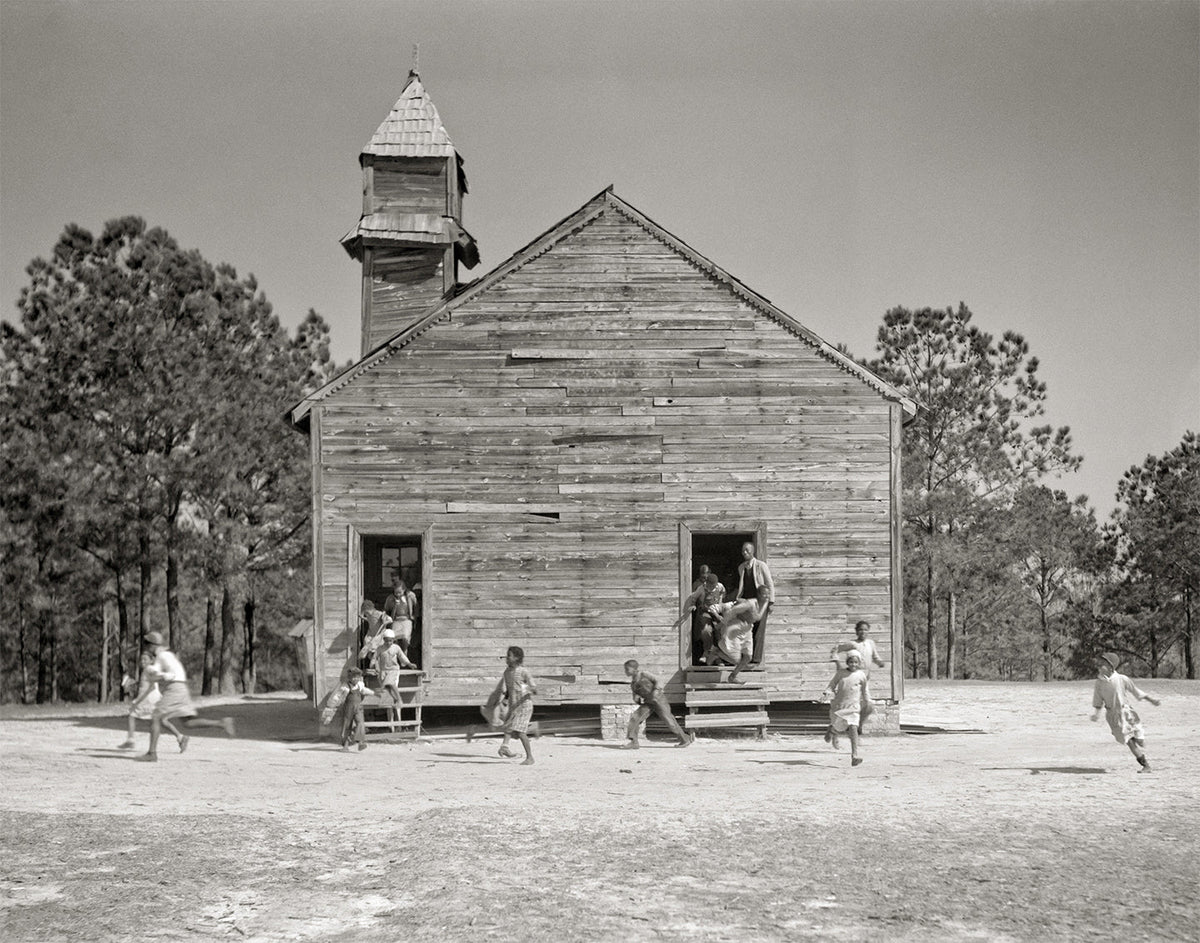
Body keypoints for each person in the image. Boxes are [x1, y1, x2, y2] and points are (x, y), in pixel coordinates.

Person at [137, 632, 236, 762]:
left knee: (156, 717)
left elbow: (167, 673)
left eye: (146, 643)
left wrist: (161, 675)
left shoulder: (162, 656)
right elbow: (157, 672)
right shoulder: (166, 655)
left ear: (151, 645)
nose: (144, 646)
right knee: (188, 722)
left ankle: (152, 753)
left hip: (175, 687)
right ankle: (221, 723)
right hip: (181, 687)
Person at [1091, 652, 1162, 773]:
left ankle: (1139, 740)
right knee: (1128, 740)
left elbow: (1136, 691)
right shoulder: (1099, 683)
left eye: (1103, 664)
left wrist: (1152, 700)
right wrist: (1097, 714)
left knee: (1139, 739)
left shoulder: (1121, 679)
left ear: (1110, 667)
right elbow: (1098, 700)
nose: (1099, 666)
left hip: (1127, 713)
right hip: (1113, 717)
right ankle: (1145, 765)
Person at [117, 651, 184, 751]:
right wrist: (132, 684)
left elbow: (155, 676)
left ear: (151, 660)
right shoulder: (146, 670)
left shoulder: (149, 669)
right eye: (141, 659)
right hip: (154, 699)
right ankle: (181, 737)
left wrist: (165, 676)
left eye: (145, 659)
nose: (142, 661)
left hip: (149, 699)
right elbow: (148, 683)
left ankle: (130, 740)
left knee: (132, 715)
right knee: (162, 721)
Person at [704, 586, 769, 683]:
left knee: (747, 657)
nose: (767, 596)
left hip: (747, 629)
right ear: (759, 595)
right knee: (736, 660)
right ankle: (716, 652)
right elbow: (732, 611)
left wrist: (766, 602)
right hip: (736, 627)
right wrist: (721, 624)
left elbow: (758, 616)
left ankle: (732, 676)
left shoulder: (764, 602)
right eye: (765, 594)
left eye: (768, 594)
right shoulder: (749, 604)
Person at [622, 659, 692, 748]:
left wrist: (656, 690)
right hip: (648, 702)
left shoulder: (644, 674)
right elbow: (635, 693)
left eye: (627, 669)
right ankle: (634, 742)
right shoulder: (633, 682)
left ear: (634, 669)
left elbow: (659, 680)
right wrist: (635, 697)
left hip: (659, 700)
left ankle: (684, 740)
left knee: (669, 721)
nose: (625, 672)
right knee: (635, 717)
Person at [822, 649, 870, 766]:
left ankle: (855, 756)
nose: (853, 664)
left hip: (853, 707)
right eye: (851, 662)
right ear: (847, 662)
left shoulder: (861, 675)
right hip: (839, 706)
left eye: (856, 662)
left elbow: (865, 690)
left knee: (853, 727)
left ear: (859, 663)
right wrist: (827, 692)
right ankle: (832, 731)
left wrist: (868, 701)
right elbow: (832, 685)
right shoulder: (841, 673)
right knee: (840, 728)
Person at [494, 646, 537, 765]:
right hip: (514, 706)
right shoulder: (507, 672)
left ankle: (530, 758)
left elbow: (534, 688)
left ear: (517, 658)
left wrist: (524, 689)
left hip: (524, 705)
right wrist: (506, 700)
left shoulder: (524, 672)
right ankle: (505, 747)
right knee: (508, 726)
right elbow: (509, 688)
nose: (507, 658)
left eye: (509, 655)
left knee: (520, 731)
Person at [732, 542, 775, 663]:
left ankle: (756, 660)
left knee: (759, 631)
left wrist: (771, 601)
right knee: (746, 629)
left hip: (760, 602)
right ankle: (745, 657)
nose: (744, 552)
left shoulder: (761, 566)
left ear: (753, 551)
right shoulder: (742, 568)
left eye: (747, 550)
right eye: (743, 551)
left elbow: (769, 583)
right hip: (747, 603)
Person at [678, 567, 726, 665]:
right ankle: (707, 651)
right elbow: (693, 597)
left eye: (713, 586)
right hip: (706, 612)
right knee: (706, 631)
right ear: (707, 583)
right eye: (710, 586)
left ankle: (718, 657)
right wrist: (692, 605)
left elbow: (723, 593)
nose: (712, 588)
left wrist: (720, 603)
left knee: (719, 632)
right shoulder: (701, 588)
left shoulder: (720, 586)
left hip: (717, 611)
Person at [372, 628, 416, 729]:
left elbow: (402, 657)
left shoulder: (396, 648)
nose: (388, 642)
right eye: (387, 640)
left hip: (393, 671)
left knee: (391, 687)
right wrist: (374, 666)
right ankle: (391, 725)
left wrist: (409, 664)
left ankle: (398, 720)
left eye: (390, 640)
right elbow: (374, 658)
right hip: (383, 672)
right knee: (387, 696)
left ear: (393, 640)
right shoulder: (380, 648)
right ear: (384, 640)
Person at [340, 667, 374, 752]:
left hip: (358, 707)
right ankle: (345, 746)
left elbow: (364, 691)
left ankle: (360, 743)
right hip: (348, 708)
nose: (355, 679)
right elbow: (337, 697)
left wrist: (373, 693)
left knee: (360, 723)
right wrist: (331, 706)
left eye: (357, 677)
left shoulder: (360, 684)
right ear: (349, 678)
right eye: (353, 677)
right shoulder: (345, 686)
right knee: (347, 726)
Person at [384, 578, 418, 655]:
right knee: (394, 637)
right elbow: (386, 610)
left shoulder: (410, 596)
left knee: (405, 637)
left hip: (407, 619)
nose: (398, 594)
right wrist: (395, 605)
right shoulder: (390, 598)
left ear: (404, 589)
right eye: (396, 593)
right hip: (396, 620)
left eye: (400, 592)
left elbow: (416, 607)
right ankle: (398, 654)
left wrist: (414, 617)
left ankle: (405, 651)